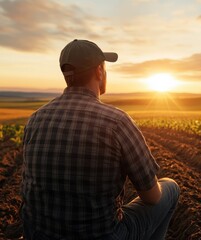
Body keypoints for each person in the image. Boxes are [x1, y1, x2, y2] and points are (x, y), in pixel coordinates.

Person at [21, 39, 180, 240]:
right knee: (170, 188)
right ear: (99, 72)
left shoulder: (35, 119)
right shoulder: (117, 121)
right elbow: (152, 196)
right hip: (103, 235)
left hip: (38, 234)